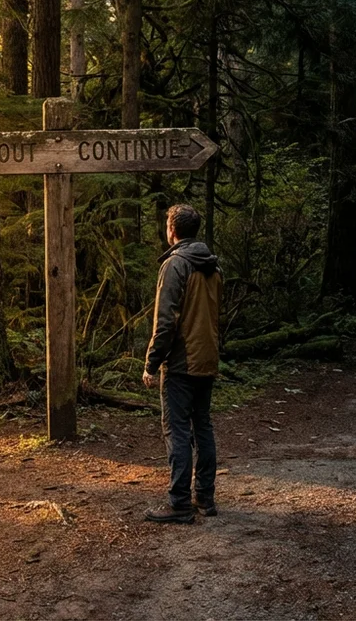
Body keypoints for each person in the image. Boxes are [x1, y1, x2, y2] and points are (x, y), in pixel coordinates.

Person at [142, 204, 221, 524]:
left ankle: (179, 503)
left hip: (180, 362)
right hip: (207, 358)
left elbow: (166, 320)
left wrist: (152, 363)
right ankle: (205, 497)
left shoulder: (175, 264)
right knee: (202, 427)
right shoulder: (213, 267)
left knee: (176, 430)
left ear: (172, 230)